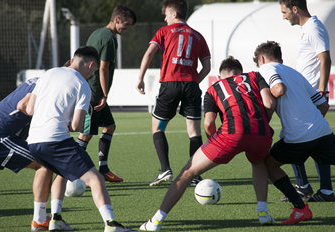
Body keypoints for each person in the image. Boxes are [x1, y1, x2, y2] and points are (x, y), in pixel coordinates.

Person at [139, 56, 276, 231]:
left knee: (187, 172)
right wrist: (264, 122)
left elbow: (208, 123)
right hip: (262, 134)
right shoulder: (254, 77)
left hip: (230, 136)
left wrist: (215, 141)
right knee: (258, 163)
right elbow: (269, 103)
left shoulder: (214, 89)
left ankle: (156, 221)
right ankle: (263, 212)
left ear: (220, 77)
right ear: (240, 73)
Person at [26, 46, 138, 232]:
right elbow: (77, 126)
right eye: (93, 71)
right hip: (56, 140)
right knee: (95, 179)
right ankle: (111, 224)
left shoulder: (49, 73)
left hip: (34, 142)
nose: (92, 74)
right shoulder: (82, 85)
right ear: (91, 64)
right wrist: (64, 123)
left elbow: (30, 110)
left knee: (60, 172)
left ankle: (54, 219)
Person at [253, 40, 335, 224]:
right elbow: (322, 104)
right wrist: (312, 126)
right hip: (322, 132)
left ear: (262, 59)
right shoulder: (295, 73)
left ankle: (300, 208)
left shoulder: (264, 70)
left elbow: (279, 88)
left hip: (297, 138)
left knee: (268, 165)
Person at [136, 0, 211, 187]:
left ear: (174, 14)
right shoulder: (198, 36)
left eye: (166, 14)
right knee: (193, 132)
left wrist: (140, 78)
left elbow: (149, 54)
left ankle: (165, 170)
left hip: (170, 84)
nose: (164, 18)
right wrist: (193, 81)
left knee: (157, 128)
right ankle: (195, 174)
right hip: (191, 86)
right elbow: (207, 66)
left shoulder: (164, 31)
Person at [0, 77, 73, 231]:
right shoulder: (49, 85)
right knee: (46, 163)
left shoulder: (43, 80)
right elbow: (24, 106)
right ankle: (39, 220)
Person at [279, 0, 334, 202]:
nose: (283, 16)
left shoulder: (314, 28)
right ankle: (316, 188)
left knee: (295, 136)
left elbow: (325, 59)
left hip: (310, 95)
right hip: (305, 94)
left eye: (285, 12)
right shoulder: (307, 28)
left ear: (295, 9)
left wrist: (322, 92)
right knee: (299, 136)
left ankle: (310, 187)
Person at [76, 5, 137, 183]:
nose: (127, 28)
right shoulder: (110, 39)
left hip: (94, 90)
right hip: (94, 93)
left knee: (109, 126)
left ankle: (103, 169)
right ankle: (68, 171)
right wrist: (104, 95)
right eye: (126, 24)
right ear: (116, 19)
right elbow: (103, 68)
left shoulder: (96, 33)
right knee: (85, 134)